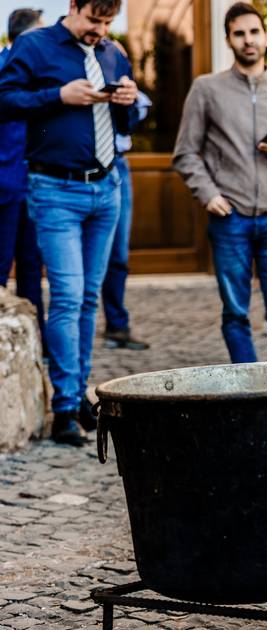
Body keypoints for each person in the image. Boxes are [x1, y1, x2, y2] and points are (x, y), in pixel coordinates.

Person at [0, 0, 139, 447]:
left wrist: (130, 102)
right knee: (66, 296)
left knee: (86, 300)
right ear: (73, 6)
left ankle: (77, 393)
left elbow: (127, 121)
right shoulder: (34, 46)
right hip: (55, 189)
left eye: (107, 21)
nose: (100, 30)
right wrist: (57, 96)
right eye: (93, 20)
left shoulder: (113, 53)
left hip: (107, 187)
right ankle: (63, 407)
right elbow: (4, 100)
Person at [173, 2, 267, 363]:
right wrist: (208, 194)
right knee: (235, 312)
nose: (248, 40)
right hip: (229, 218)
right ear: (229, 40)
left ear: (265, 37)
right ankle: (248, 391)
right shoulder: (206, 89)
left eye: (254, 32)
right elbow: (185, 153)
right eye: (239, 33)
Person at [0, 8, 45, 354]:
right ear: (27, 37)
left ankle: (36, 346)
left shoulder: (39, 74)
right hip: (5, 186)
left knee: (32, 269)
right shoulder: (4, 70)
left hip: (35, 186)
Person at [102, 42, 152, 350]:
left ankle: (116, 325)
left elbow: (136, 115)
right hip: (82, 167)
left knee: (118, 254)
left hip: (118, 165)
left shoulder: (122, 73)